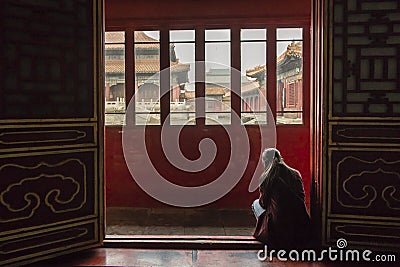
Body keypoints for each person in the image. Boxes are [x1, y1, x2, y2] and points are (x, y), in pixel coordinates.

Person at [252, 148, 313, 249]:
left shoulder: (267, 177)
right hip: (300, 223)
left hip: (279, 225)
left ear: (265, 162)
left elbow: (263, 203)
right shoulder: (295, 173)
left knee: (255, 204)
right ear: (280, 158)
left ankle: (266, 231)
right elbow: (302, 197)